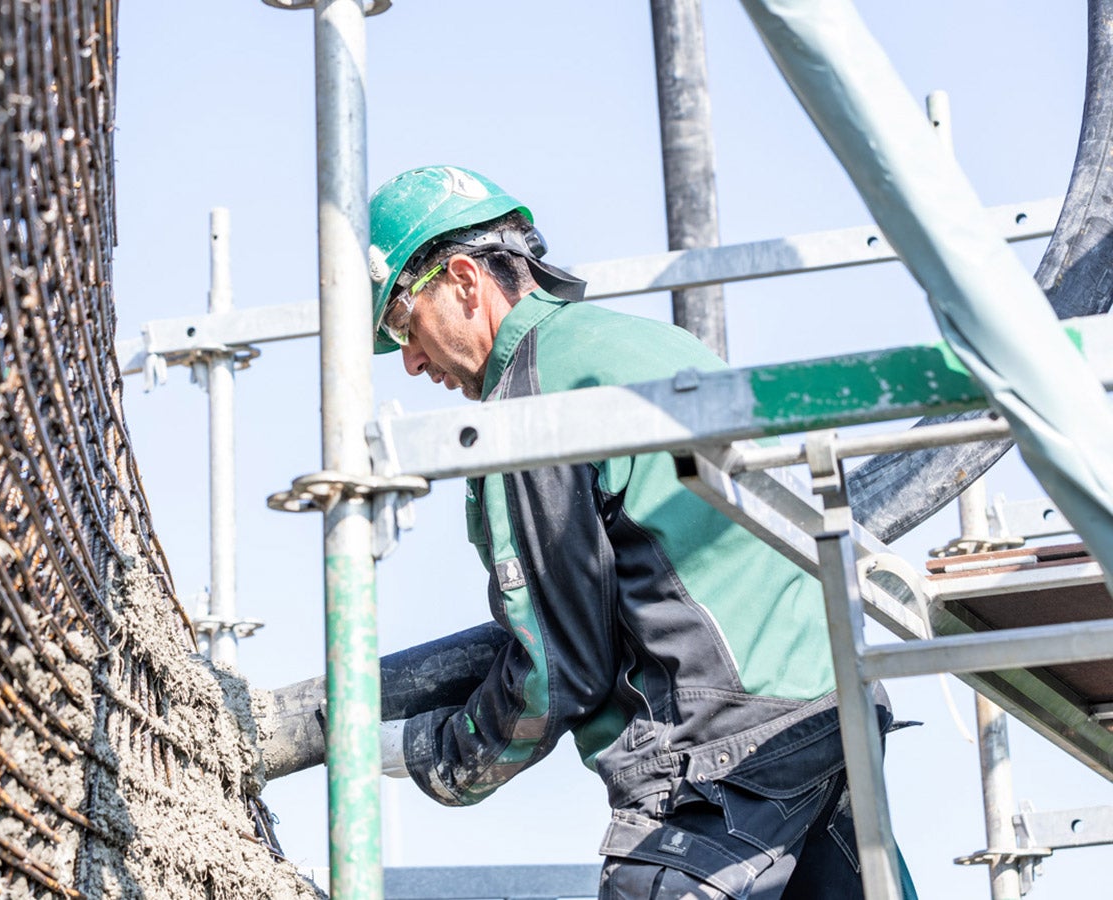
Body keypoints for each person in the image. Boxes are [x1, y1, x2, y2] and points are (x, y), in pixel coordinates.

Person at [367, 165, 917, 900]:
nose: (410, 361)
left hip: (720, 757)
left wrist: (445, 756)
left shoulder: (532, 401)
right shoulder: (641, 344)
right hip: (829, 720)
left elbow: (559, 667)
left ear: (464, 281)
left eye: (403, 323)